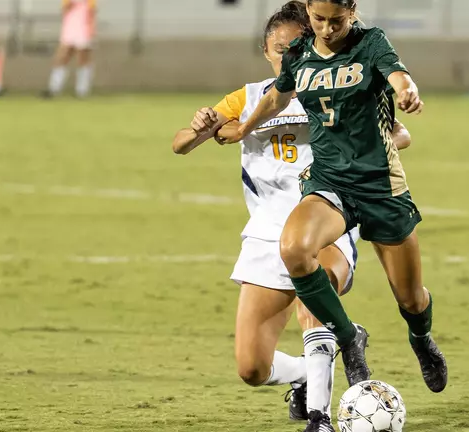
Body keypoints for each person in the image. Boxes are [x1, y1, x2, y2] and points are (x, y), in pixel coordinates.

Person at [172, 2, 412, 430]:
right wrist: (201, 125)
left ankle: (318, 417)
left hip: (327, 219)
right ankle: (305, 373)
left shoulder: (337, 84)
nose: (287, 56)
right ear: (266, 51)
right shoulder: (248, 99)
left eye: (293, 46)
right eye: (278, 49)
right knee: (251, 368)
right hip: (266, 234)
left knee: (311, 302)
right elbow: (181, 144)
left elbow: (399, 134)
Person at [219, 0, 448, 410]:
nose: (327, 29)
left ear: (353, 12)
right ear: (308, 11)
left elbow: (398, 76)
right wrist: (244, 128)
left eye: (336, 21)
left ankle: (421, 339)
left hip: (381, 186)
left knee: (411, 298)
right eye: (319, 19)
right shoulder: (299, 55)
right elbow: (275, 97)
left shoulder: (371, 43)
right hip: (329, 182)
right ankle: (348, 338)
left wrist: (407, 90)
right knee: (294, 249)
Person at [42, 0, 96, 98]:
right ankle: (54, 88)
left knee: (83, 57)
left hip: (84, 25)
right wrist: (68, 7)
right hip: (70, 25)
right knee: (62, 56)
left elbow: (92, 10)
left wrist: (91, 27)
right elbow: (64, 9)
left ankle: (82, 89)